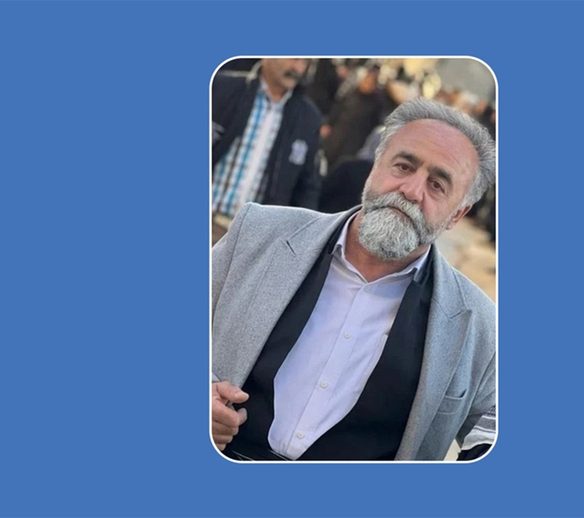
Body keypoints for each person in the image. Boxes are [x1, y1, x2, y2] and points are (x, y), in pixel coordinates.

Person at [211, 98, 497, 461]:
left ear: (458, 214)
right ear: (375, 165)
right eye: (404, 166)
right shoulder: (259, 232)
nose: (411, 191)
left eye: (438, 184)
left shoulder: (477, 323)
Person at [211, 58, 322, 218]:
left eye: (305, 62)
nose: (298, 68)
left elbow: (307, 186)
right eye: (294, 58)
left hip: (252, 230)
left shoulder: (308, 118)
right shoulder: (220, 88)